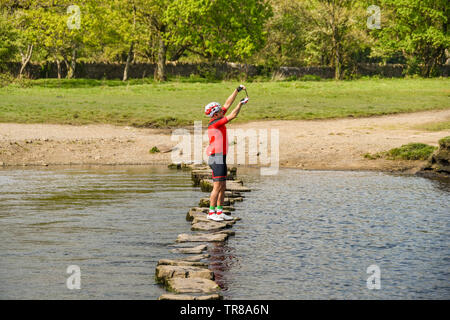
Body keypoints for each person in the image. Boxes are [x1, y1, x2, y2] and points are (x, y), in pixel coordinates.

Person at [204, 84, 249, 221]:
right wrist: (241, 104)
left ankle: (219, 212)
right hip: (215, 158)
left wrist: (237, 90)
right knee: (217, 186)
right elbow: (233, 115)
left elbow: (227, 103)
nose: (223, 111)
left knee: (223, 185)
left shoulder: (217, 117)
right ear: (216, 114)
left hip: (221, 157)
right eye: (220, 111)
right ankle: (211, 213)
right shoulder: (215, 123)